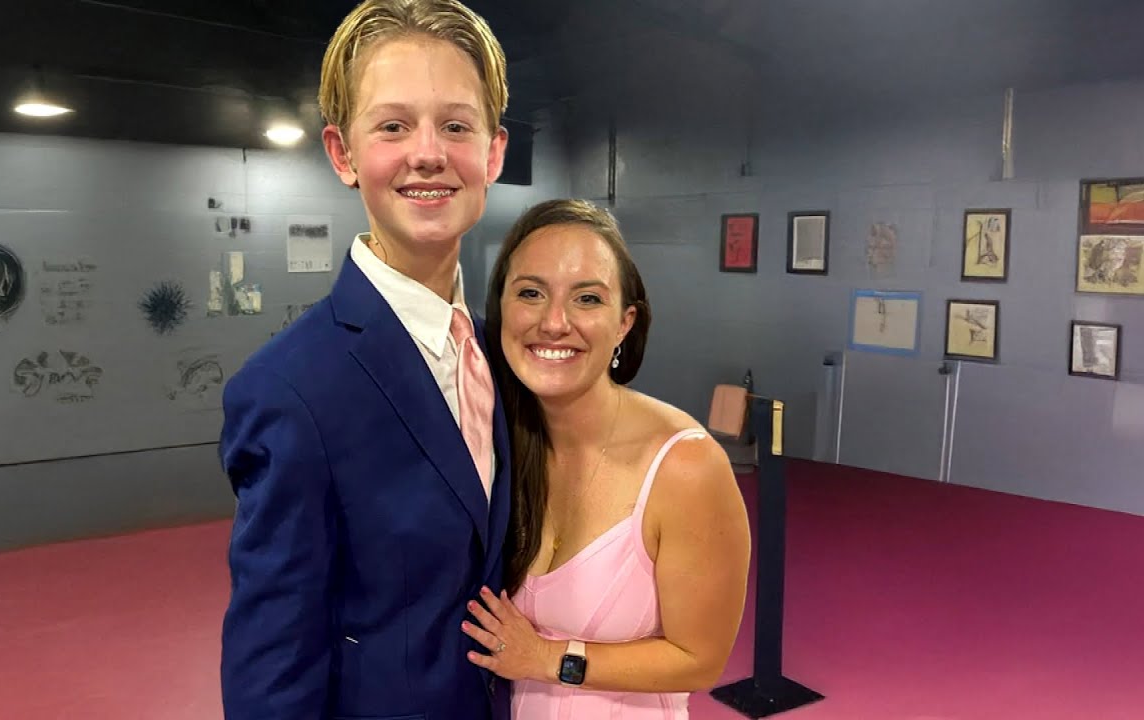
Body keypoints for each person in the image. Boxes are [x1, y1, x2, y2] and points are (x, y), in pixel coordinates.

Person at [216, 2, 512, 718]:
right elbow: (273, 665)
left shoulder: (499, 355)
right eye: (393, 126)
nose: (428, 153)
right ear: (343, 154)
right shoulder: (289, 390)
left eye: (456, 125)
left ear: (493, 154)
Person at [464, 199, 752, 718]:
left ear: (624, 323)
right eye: (530, 293)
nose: (554, 322)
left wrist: (549, 658)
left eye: (587, 299)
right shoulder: (501, 446)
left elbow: (700, 660)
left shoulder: (686, 467)